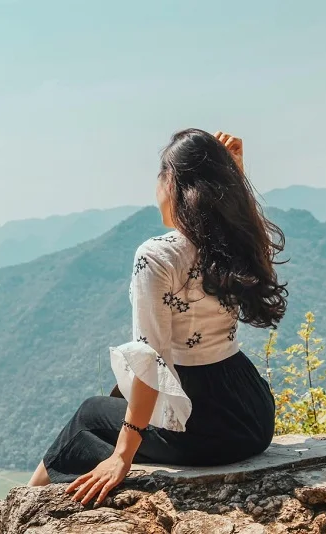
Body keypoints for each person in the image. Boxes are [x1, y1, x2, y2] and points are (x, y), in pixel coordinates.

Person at [27, 129, 287, 507]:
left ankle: (26, 504)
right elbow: (246, 220)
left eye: (160, 177)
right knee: (112, 403)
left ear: (173, 184)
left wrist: (122, 455)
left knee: (90, 414)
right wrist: (234, 174)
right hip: (252, 413)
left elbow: (151, 361)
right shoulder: (236, 245)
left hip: (202, 423)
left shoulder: (157, 255)